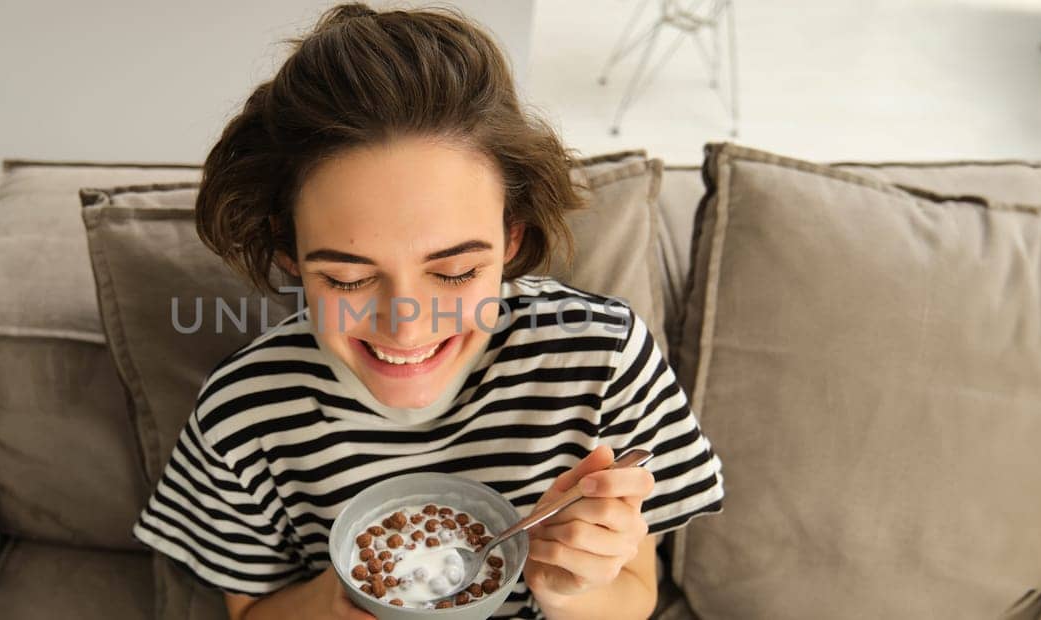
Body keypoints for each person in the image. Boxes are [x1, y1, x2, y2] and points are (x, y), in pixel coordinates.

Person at [132, 4, 724, 618]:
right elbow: (250, 613)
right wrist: (350, 596)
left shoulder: (603, 359)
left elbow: (636, 595)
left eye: (456, 271)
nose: (407, 326)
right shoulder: (244, 413)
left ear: (512, 236)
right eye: (348, 278)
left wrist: (571, 584)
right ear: (288, 251)